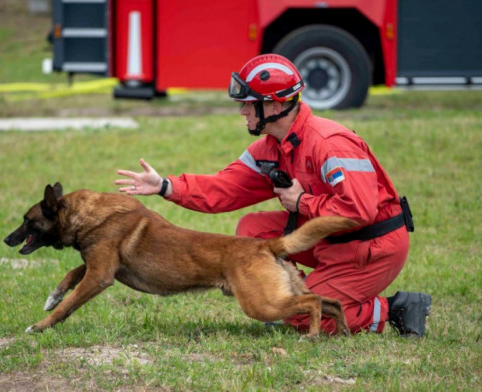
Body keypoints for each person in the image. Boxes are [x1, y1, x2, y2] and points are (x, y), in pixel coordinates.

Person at [115, 54, 431, 337]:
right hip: (327, 237)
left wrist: (302, 202)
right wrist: (165, 186)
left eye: (249, 103)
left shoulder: (329, 143)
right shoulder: (271, 146)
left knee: (305, 316)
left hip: (370, 245)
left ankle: (393, 309)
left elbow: (359, 211)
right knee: (251, 233)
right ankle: (293, 295)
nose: (242, 111)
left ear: (275, 106)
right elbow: (225, 188)